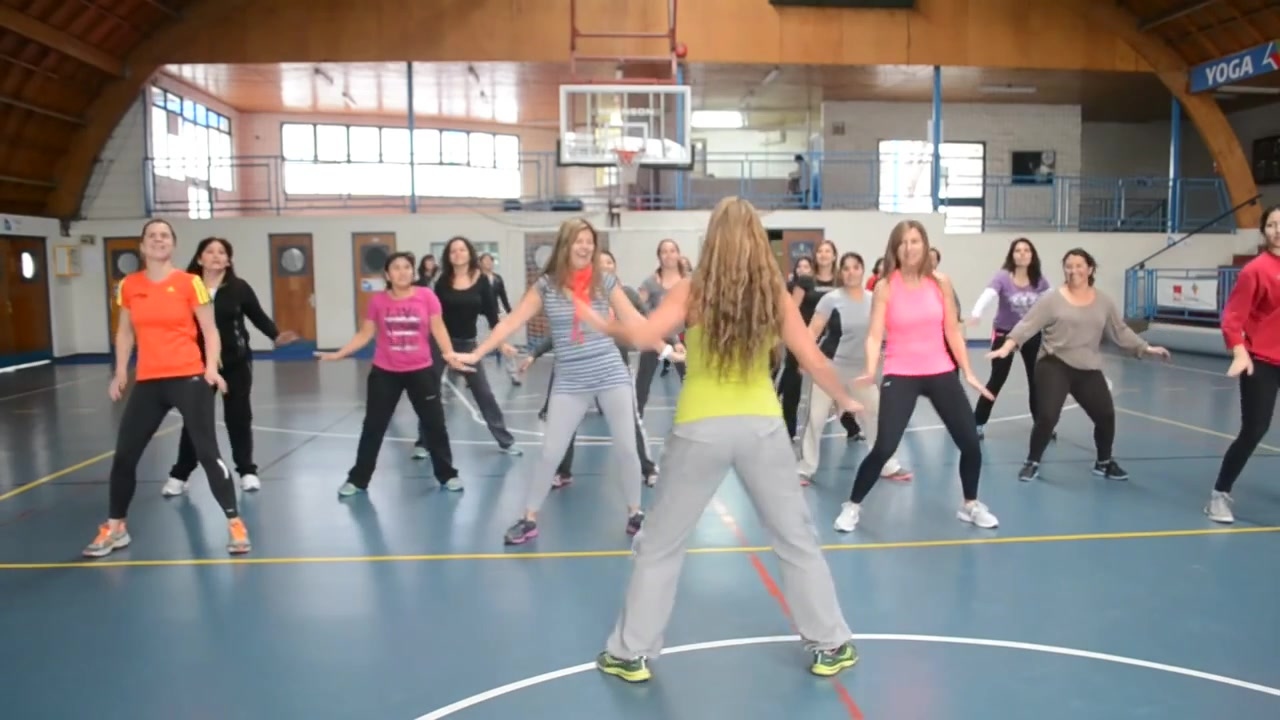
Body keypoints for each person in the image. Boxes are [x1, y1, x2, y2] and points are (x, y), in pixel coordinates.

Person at [578, 197, 861, 683]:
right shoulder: (772, 293)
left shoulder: (692, 290)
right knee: (795, 539)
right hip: (762, 428)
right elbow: (812, 358)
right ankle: (830, 644)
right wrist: (845, 398)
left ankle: (629, 653)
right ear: (755, 240)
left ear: (712, 238)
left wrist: (603, 321)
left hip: (699, 429)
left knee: (660, 544)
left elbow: (643, 336)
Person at [454, 218, 652, 545]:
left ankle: (635, 512)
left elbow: (635, 319)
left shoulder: (605, 281)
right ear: (565, 245)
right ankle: (529, 519)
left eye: (590, 241)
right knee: (550, 453)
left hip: (610, 373)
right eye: (579, 241)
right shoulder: (546, 286)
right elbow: (510, 323)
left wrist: (667, 342)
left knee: (627, 449)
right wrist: (477, 353)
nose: (585, 247)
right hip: (570, 379)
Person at [85, 219, 248, 558]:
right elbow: (125, 332)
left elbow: (210, 329)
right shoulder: (129, 285)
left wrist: (211, 368)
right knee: (125, 455)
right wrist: (120, 371)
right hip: (149, 380)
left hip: (188, 377)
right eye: (152, 235)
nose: (158, 240)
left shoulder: (190, 283)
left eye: (164, 236)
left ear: (172, 244)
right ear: (142, 245)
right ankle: (116, 527)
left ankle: (234, 522)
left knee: (207, 452)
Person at [836, 220, 998, 533]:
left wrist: (968, 371)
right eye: (903, 242)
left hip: (940, 370)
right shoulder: (885, 286)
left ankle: (970, 504)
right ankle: (852, 506)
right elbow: (874, 335)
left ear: (924, 244)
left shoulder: (941, 282)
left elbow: (952, 330)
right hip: (901, 372)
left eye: (915, 241)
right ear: (895, 249)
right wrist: (870, 370)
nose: (909, 248)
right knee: (884, 447)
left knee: (970, 444)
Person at [990, 248, 1170, 483]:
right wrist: (1007, 346)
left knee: (1106, 415)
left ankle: (1103, 462)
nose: (1073, 270)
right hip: (1054, 363)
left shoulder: (1103, 301)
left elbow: (1120, 330)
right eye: (1068, 266)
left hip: (1087, 366)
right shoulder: (1052, 299)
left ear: (1090, 269)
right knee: (1047, 416)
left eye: (1078, 266)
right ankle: (1032, 462)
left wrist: (1145, 348)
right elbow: (1027, 324)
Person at [320, 251, 472, 496]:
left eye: (406, 267)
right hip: (385, 372)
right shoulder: (378, 302)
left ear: (413, 271)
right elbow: (365, 334)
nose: (402, 272)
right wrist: (340, 353)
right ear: (387, 275)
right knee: (373, 426)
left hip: (421, 370)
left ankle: (447, 474)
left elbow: (438, 327)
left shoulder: (426, 296)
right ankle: (358, 479)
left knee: (434, 424)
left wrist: (449, 354)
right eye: (396, 268)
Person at [518, 249, 672, 488]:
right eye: (599, 263)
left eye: (609, 262)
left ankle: (648, 469)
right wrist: (534, 353)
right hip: (581, 370)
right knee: (568, 422)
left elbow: (648, 323)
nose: (605, 266)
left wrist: (669, 342)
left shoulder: (627, 294)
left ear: (615, 266)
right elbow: (560, 333)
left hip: (614, 371)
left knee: (629, 422)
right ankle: (563, 471)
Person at [163, 237, 298, 497]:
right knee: (195, 420)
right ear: (199, 258)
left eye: (222, 252)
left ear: (228, 260)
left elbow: (257, 315)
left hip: (236, 363)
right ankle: (180, 474)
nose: (216, 256)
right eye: (210, 251)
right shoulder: (187, 287)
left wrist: (276, 335)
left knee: (238, 417)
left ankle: (247, 471)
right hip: (197, 364)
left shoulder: (239, 288)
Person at [798, 251, 911, 485]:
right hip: (829, 369)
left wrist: (886, 351)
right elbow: (812, 331)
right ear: (841, 272)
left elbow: (883, 331)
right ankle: (805, 468)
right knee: (816, 419)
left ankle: (887, 465)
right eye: (846, 268)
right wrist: (804, 359)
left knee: (875, 416)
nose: (851, 272)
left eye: (855, 267)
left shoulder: (873, 299)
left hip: (860, 372)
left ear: (862, 270)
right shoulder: (830, 299)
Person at [1207, 204, 1280, 523]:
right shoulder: (1256, 270)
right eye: (1272, 224)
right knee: (1255, 428)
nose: (1278, 230)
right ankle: (1219, 494)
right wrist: (1239, 352)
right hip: (1261, 361)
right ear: (1264, 231)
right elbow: (1232, 318)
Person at [427, 236, 521, 455]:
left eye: (462, 249)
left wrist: (501, 343)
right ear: (448, 256)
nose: (458, 254)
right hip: (441, 344)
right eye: (453, 251)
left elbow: (492, 316)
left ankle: (505, 440)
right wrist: (442, 348)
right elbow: (434, 317)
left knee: (484, 393)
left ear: (470, 253)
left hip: (468, 345)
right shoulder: (442, 281)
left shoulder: (482, 281)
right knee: (430, 392)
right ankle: (423, 442)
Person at [968, 237, 1052, 438]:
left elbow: (1054, 299)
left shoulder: (1039, 280)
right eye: (1018, 250)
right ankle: (977, 422)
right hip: (1004, 333)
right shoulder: (1003, 277)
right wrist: (977, 313)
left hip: (1030, 334)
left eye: (1026, 250)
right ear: (1012, 255)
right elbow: (988, 294)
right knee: (997, 378)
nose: (1022, 254)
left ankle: (1041, 424)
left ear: (1032, 255)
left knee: (1036, 380)